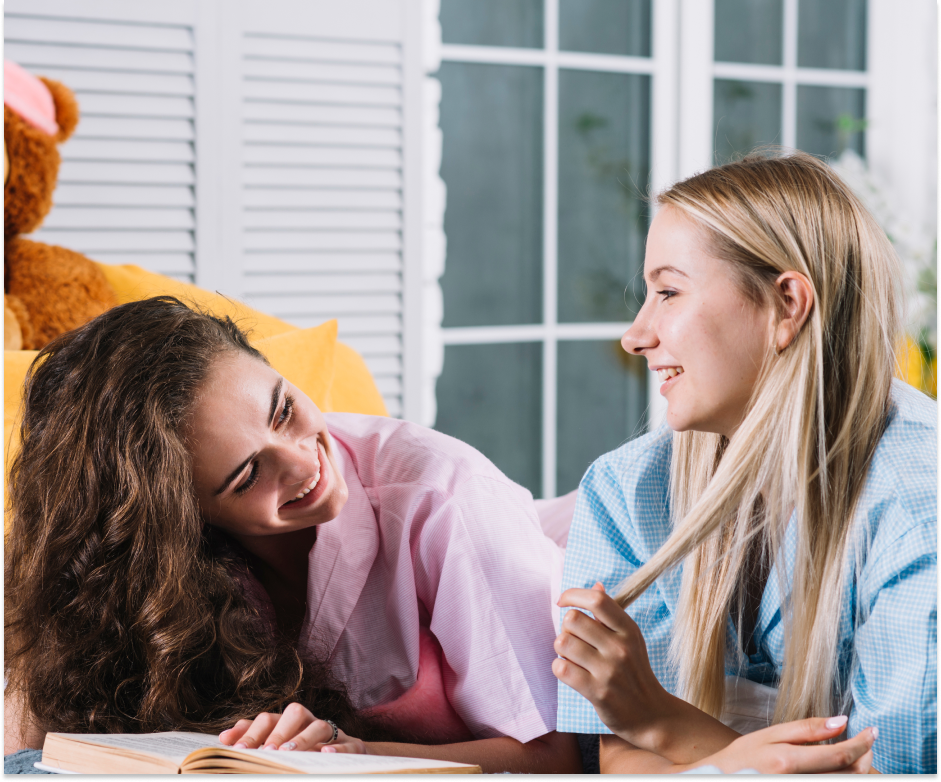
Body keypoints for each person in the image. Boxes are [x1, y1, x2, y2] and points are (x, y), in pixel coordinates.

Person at [4, 296, 581, 774]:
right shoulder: (166, 569)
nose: (304, 466)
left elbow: (558, 756)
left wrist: (347, 753)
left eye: (283, 409)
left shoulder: (445, 497)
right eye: (247, 474)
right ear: (183, 519)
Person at [552, 151, 937, 775]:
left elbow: (893, 768)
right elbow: (616, 756)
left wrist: (661, 719)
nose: (635, 334)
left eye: (669, 292)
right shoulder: (623, 491)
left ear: (787, 305)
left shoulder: (919, 507)